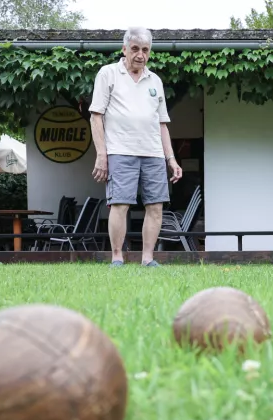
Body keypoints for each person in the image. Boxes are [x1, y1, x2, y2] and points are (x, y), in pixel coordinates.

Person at [89, 26, 182, 268]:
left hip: (153, 153)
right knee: (120, 204)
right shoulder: (108, 73)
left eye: (145, 50)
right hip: (119, 150)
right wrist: (102, 154)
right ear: (124, 49)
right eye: (135, 49)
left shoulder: (156, 81)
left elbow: (162, 124)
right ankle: (117, 258)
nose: (140, 54)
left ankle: (148, 259)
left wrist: (171, 158)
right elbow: (96, 116)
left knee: (156, 206)